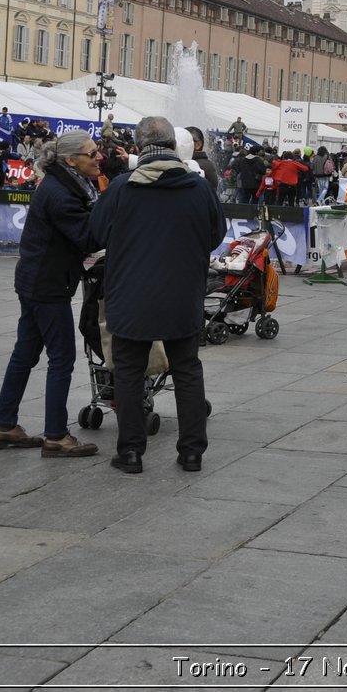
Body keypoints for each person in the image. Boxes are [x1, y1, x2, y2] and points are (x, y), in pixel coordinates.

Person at [90, 116, 224, 474]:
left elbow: (97, 233)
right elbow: (215, 236)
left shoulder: (120, 187)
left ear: (138, 147)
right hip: (182, 294)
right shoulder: (199, 188)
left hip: (130, 295)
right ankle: (192, 452)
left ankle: (131, 452)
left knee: (130, 373)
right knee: (187, 370)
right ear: (174, 146)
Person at [0, 131, 104, 458]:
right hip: (47, 284)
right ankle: (56, 435)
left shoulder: (67, 184)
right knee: (62, 358)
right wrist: (113, 211)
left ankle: (5, 425)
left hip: (37, 280)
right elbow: (87, 236)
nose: (99, 158)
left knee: (25, 354)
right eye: (92, 153)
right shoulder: (62, 193)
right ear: (71, 160)